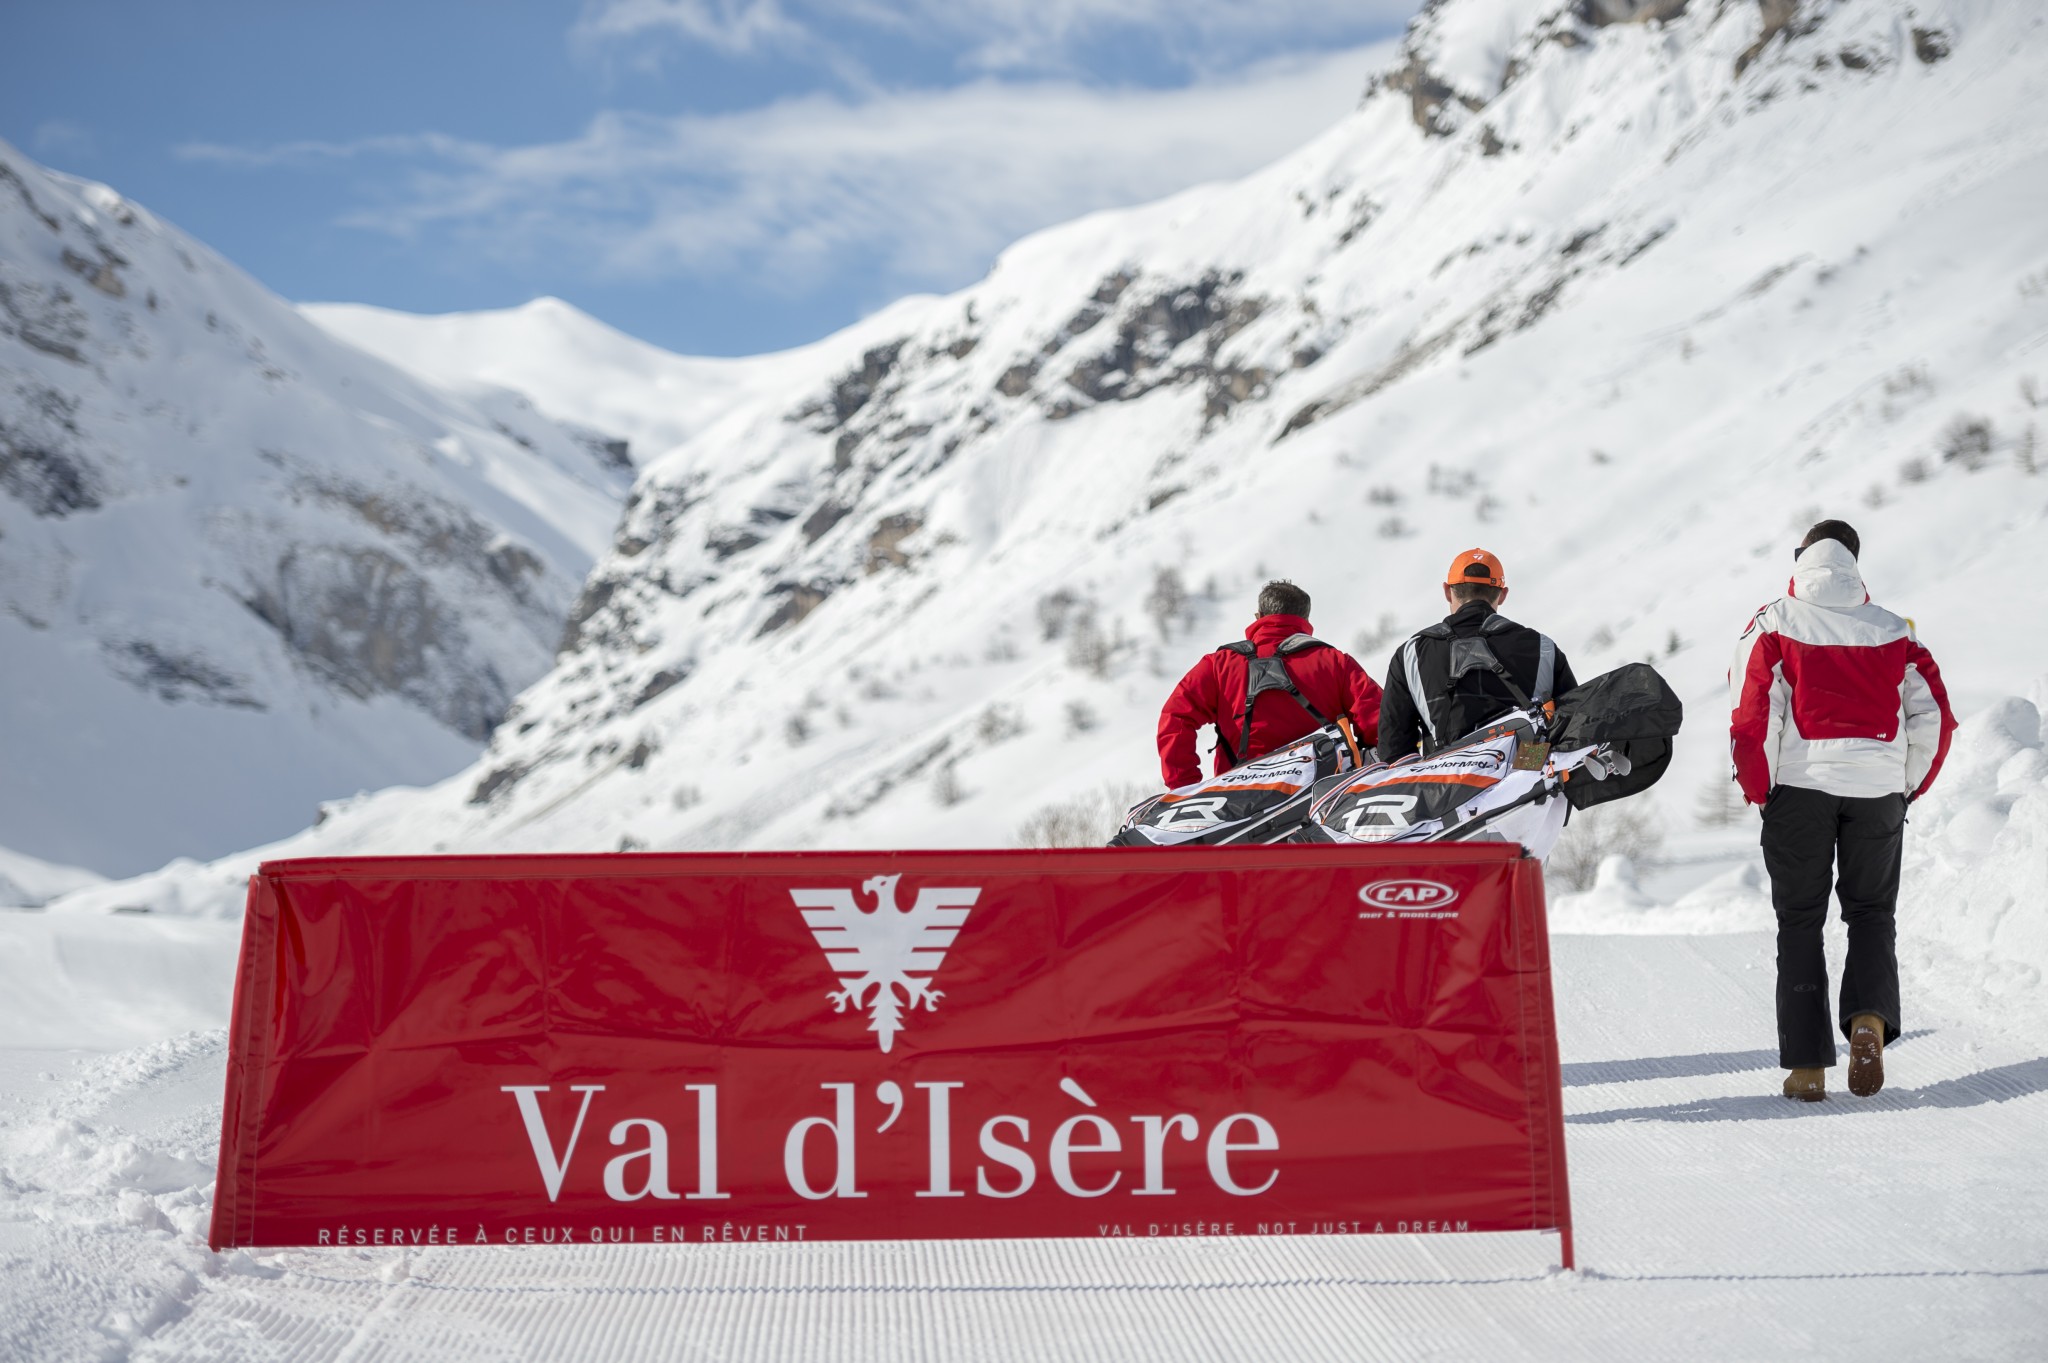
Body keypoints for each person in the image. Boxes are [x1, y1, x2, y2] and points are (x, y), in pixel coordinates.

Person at [1729, 520, 1955, 1103]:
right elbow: (1934, 719)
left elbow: (1751, 715)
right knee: (1872, 913)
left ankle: (1807, 1070)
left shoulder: (1774, 622)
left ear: (1800, 558)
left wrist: (1762, 790)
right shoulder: (1892, 630)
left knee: (1800, 920)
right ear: (1855, 564)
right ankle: (1868, 1023)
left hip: (1800, 792)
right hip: (1878, 792)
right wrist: (1905, 786)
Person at [1156, 580, 1383, 789]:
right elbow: (1382, 723)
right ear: (1306, 620)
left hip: (1239, 813)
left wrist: (1185, 789)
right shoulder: (1335, 663)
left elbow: (1176, 717)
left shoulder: (1219, 665)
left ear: (1258, 616)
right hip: (1321, 808)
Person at [1375, 548, 1577, 762]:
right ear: (1503, 595)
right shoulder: (1542, 646)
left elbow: (1394, 750)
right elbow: (1575, 726)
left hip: (1449, 786)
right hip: (1529, 780)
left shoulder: (1411, 654)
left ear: (1447, 591)